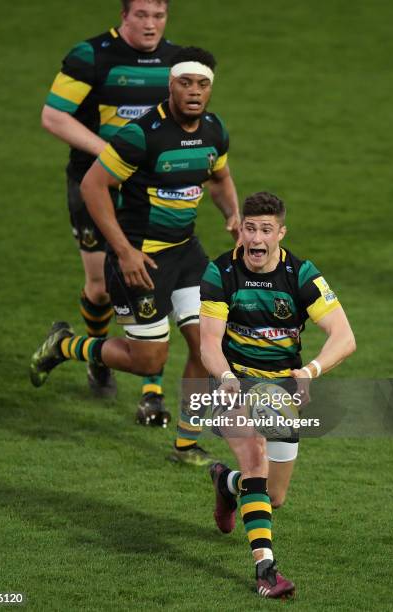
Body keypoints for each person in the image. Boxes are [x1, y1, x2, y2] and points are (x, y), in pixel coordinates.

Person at [30, 47, 241, 465]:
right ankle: (66, 345)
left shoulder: (214, 130)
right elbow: (93, 186)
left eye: (202, 84)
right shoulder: (140, 134)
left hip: (186, 253)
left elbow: (219, 176)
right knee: (148, 358)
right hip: (139, 258)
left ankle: (185, 443)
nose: (194, 92)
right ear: (171, 85)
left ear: (211, 88)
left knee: (207, 348)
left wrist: (232, 211)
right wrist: (123, 251)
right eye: (185, 83)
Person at [199, 191, 356, 598]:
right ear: (241, 231)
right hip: (231, 384)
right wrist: (225, 375)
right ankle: (266, 571)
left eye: (266, 229)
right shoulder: (221, 273)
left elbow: (344, 336)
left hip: (280, 392)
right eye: (250, 228)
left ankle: (226, 484)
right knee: (255, 459)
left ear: (280, 233)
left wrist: (309, 371)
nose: (256, 238)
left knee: (273, 496)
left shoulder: (300, 275)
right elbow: (209, 343)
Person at [41, 0, 179, 402]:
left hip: (148, 191)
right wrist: (111, 157)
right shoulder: (92, 56)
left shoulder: (175, 61)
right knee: (100, 287)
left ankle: (152, 390)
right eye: (142, 15)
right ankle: (97, 357)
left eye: (159, 15)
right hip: (93, 184)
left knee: (153, 276)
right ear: (124, 16)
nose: (151, 25)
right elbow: (53, 116)